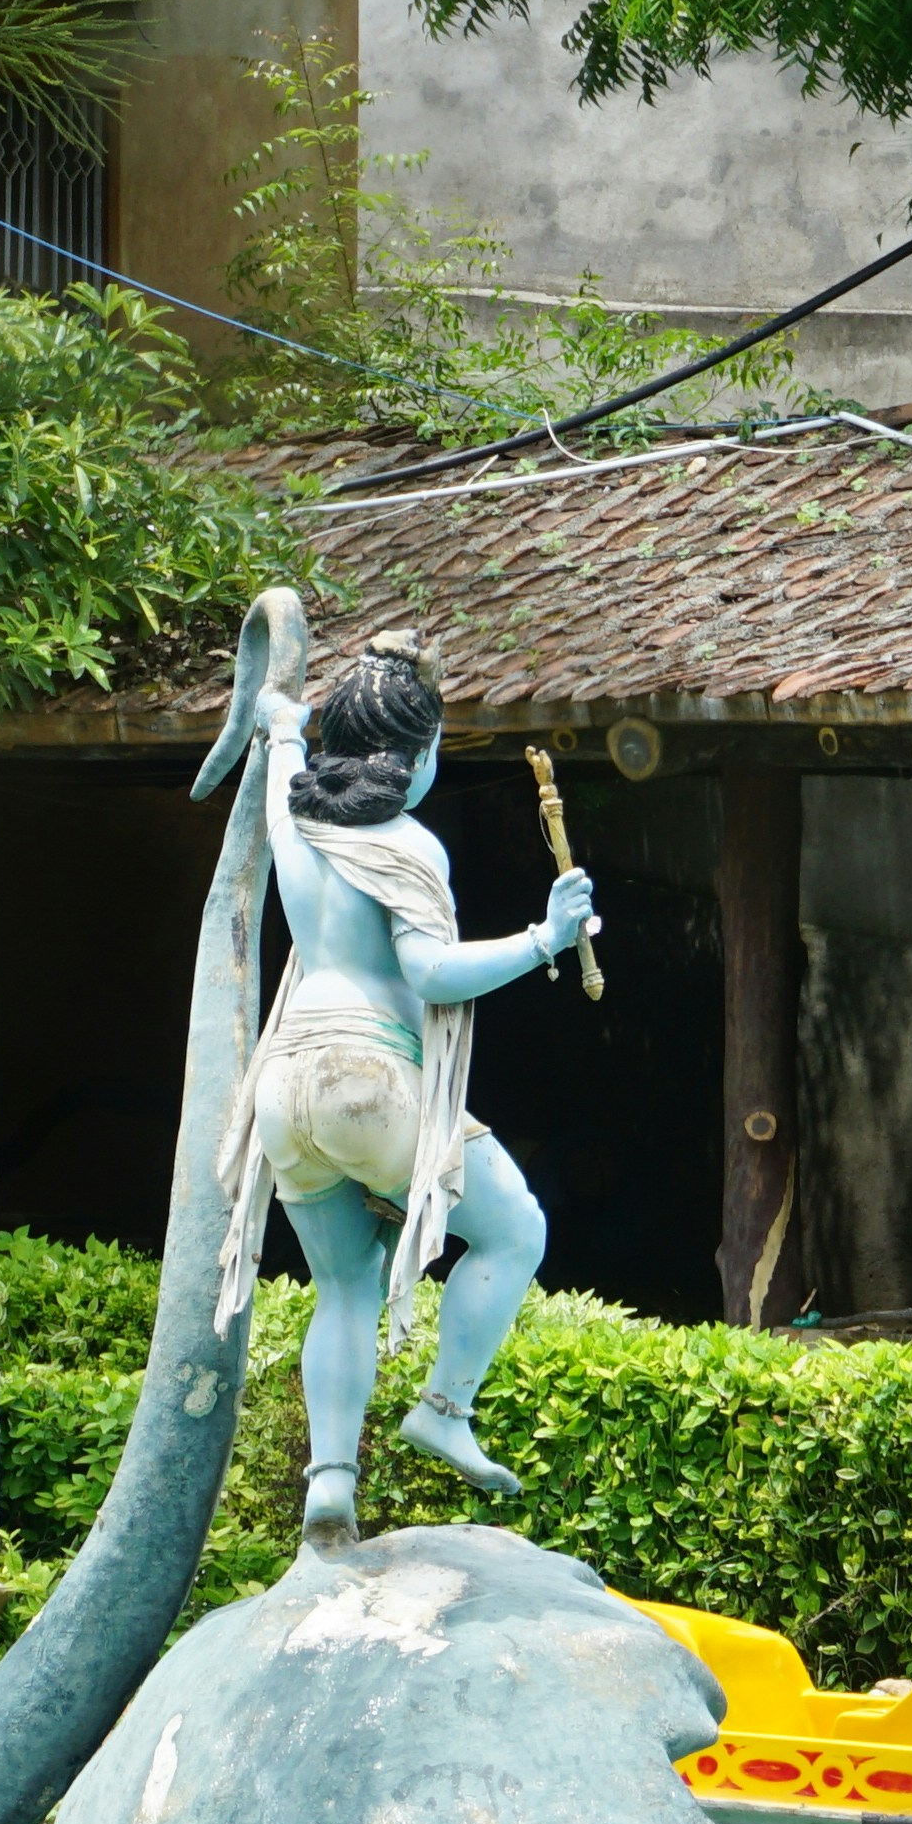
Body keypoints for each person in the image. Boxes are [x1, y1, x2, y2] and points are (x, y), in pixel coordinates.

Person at [213, 636, 597, 1549]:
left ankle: (330, 1483)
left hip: (282, 1091)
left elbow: (282, 762)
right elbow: (430, 975)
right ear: (413, 760)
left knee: (345, 1282)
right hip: (367, 1074)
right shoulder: (407, 844)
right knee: (516, 1228)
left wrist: (281, 727)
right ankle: (444, 1408)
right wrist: (546, 937)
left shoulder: (294, 823)